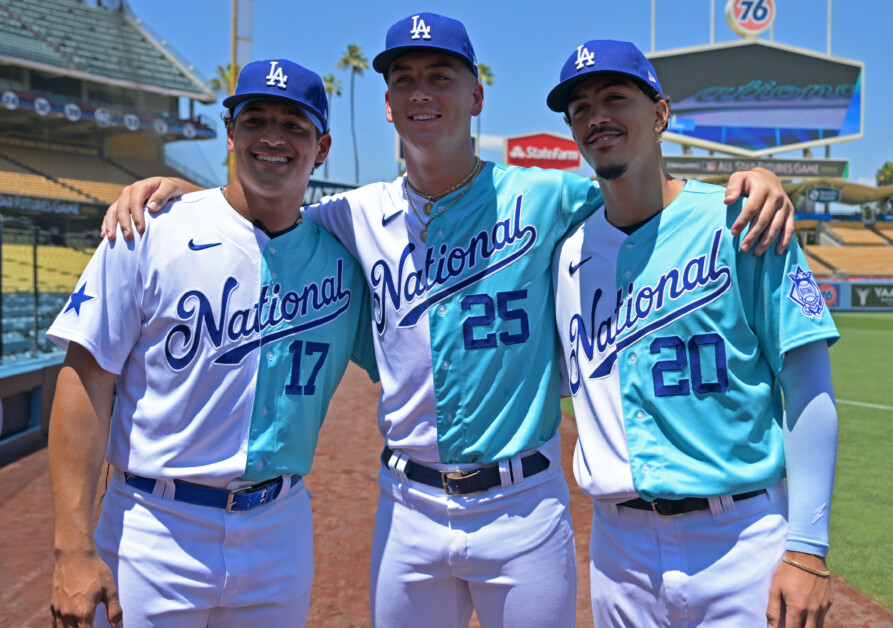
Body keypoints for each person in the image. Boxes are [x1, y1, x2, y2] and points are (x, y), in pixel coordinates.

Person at [101, 14, 797, 627]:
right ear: (387, 105)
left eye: (440, 75)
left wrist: (753, 184)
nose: (421, 91)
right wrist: (185, 196)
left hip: (523, 502)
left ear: (476, 95)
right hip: (406, 504)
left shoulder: (550, 196)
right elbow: (259, 207)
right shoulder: (350, 217)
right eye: (404, 79)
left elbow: (645, 187)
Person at [47, 59, 377, 627]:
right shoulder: (148, 229)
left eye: (293, 125)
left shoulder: (346, 257)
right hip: (153, 527)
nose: (272, 136)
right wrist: (71, 549)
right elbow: (85, 378)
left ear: (321, 147)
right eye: (255, 120)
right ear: (231, 134)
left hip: (280, 528)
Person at [547, 39, 839, 627]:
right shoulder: (567, 252)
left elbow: (807, 384)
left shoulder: (742, 223)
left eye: (614, 97)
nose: (595, 115)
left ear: (660, 113)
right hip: (618, 551)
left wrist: (808, 548)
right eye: (579, 107)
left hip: (741, 541)